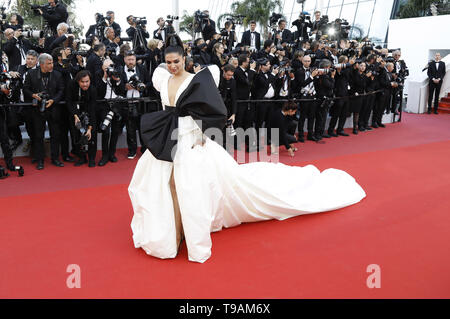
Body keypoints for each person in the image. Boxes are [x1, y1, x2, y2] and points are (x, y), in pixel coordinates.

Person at [128, 34, 366, 263]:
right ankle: (173, 232)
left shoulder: (195, 80)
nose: (172, 66)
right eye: (168, 62)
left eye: (176, 62)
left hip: (191, 140)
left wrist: (201, 134)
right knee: (166, 185)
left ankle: (188, 234)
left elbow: (207, 108)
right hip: (166, 139)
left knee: (189, 188)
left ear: (185, 59)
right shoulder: (161, 78)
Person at [23, 53, 65, 170]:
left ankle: (55, 158)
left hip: (53, 108)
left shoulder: (57, 74)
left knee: (55, 135)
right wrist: (33, 95)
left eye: (52, 63)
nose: (52, 65)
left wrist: (54, 100)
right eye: (49, 63)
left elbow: (61, 90)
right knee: (38, 136)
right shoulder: (31, 74)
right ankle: (40, 160)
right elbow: (25, 88)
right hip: (37, 110)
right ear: (41, 64)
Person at [66, 70, 97, 167]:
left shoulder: (92, 89)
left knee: (91, 136)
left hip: (88, 111)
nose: (85, 84)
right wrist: (75, 115)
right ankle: (81, 157)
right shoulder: (71, 85)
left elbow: (92, 109)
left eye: (87, 81)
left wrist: (90, 128)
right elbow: (69, 101)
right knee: (76, 135)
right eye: (82, 82)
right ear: (78, 81)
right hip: (75, 112)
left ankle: (91, 158)